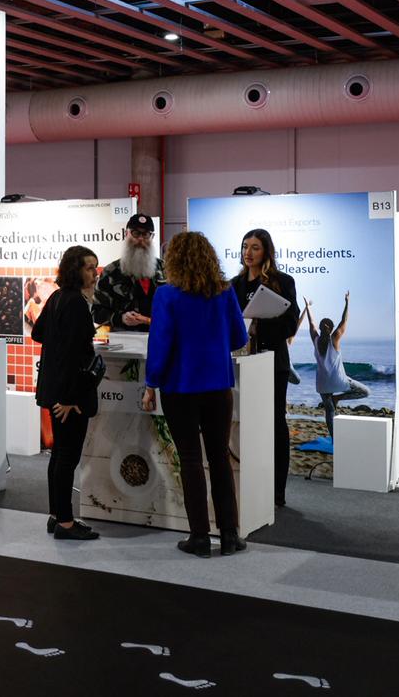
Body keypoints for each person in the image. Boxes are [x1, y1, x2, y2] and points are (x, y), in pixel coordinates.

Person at [142, 231, 249, 559]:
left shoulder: (166, 295)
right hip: (218, 386)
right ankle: (229, 535)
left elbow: (160, 344)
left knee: (190, 460)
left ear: (173, 259)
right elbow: (239, 338)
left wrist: (151, 383)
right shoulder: (225, 292)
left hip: (180, 387)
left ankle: (199, 537)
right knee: (219, 458)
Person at [32, 244, 102, 541]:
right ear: (76, 270)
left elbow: (38, 333)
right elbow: (73, 355)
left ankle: (57, 515)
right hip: (67, 397)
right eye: (89, 268)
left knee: (59, 455)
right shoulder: (75, 304)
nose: (95, 274)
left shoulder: (58, 297)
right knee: (66, 458)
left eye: (96, 267)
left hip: (55, 391)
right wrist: (70, 400)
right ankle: (65, 521)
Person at [229, 228, 299, 505]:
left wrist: (260, 326)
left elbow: (290, 324)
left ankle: (277, 490)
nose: (248, 252)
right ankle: (248, 484)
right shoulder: (233, 285)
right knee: (241, 423)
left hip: (272, 363)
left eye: (255, 247)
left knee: (274, 423)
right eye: (245, 246)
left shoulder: (283, 282)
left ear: (266, 251)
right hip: (239, 364)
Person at [306, 292, 369, 439]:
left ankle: (334, 439)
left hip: (322, 384)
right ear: (332, 328)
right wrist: (347, 302)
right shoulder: (335, 338)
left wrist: (308, 307)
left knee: (329, 411)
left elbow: (311, 323)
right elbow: (344, 320)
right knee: (365, 392)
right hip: (339, 381)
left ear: (321, 328)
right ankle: (338, 398)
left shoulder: (315, 340)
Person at [94, 212, 165, 331]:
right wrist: (120, 318)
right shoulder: (111, 272)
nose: (140, 239)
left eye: (146, 234)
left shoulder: (165, 269)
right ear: (126, 234)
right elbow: (96, 312)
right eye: (136, 233)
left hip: (161, 337)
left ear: (152, 237)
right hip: (124, 340)